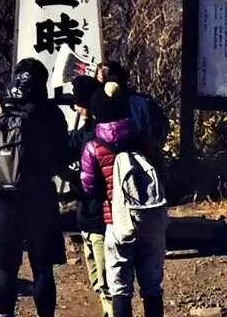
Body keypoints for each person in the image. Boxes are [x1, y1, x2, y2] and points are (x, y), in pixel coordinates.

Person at [0, 59, 69, 317]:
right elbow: (62, 156)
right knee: (42, 266)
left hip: (3, 197)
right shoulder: (50, 113)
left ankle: (4, 315)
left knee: (6, 267)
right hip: (40, 197)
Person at [81, 82, 165, 317]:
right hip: (150, 219)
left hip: (117, 222)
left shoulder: (94, 148)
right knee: (151, 287)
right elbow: (160, 169)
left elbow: (89, 186)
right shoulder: (142, 137)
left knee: (120, 287)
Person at [70, 76, 112, 317]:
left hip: (98, 216)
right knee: (98, 280)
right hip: (87, 215)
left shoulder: (99, 136)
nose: (76, 108)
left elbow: (93, 181)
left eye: (79, 103)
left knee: (106, 280)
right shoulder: (87, 131)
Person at [95, 62, 169, 161]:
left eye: (99, 80)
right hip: (148, 161)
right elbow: (162, 128)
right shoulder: (144, 101)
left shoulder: (105, 108)